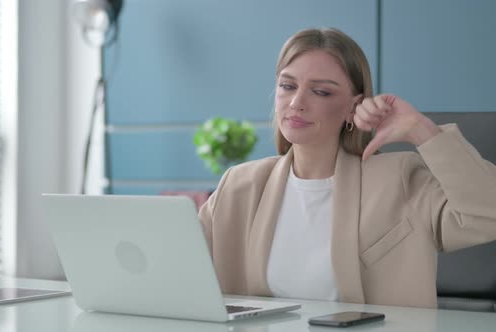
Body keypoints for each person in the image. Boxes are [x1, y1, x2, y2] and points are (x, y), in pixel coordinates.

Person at [198, 28, 496, 308]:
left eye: (322, 92)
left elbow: (487, 214)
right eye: (287, 86)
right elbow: (175, 265)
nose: (297, 102)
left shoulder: (399, 178)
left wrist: (421, 130)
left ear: (354, 106)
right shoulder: (239, 184)